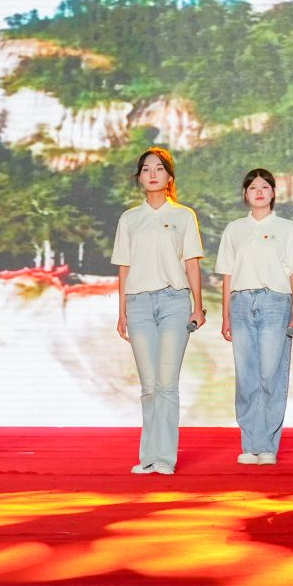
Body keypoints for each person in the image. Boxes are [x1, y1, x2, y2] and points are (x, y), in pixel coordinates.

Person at [112, 147, 205, 475]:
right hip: (138, 303)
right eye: (146, 169)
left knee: (166, 383)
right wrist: (122, 311)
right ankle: (147, 457)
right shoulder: (129, 219)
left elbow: (191, 263)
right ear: (139, 177)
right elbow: (124, 267)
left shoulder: (183, 216)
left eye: (159, 168)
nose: (152, 174)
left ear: (169, 176)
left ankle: (164, 458)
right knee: (149, 385)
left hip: (174, 302)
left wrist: (198, 306)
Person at [217, 167, 293, 465]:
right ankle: (250, 443)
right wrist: (226, 316)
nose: (258, 192)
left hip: (275, 303)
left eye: (264, 187)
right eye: (253, 187)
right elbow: (227, 274)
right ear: (245, 194)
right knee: (246, 376)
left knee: (271, 373)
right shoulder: (234, 230)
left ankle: (267, 445)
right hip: (241, 303)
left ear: (273, 193)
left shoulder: (286, 228)